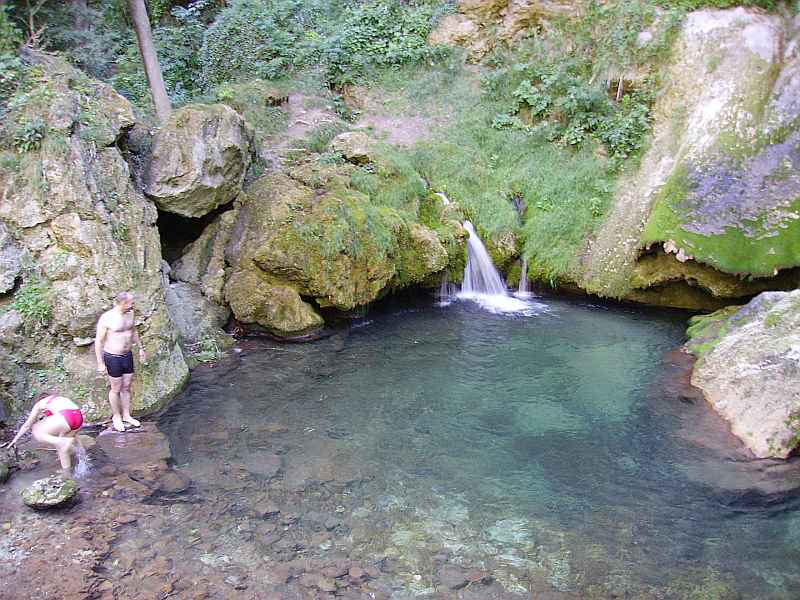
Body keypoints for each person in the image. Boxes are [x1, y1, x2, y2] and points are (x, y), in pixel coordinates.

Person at [95, 291, 146, 432]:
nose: (133, 305)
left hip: (127, 355)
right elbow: (98, 341)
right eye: (131, 302)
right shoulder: (107, 318)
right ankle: (116, 417)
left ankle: (126, 415)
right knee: (116, 388)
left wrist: (141, 349)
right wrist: (100, 362)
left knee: (127, 386)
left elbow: (134, 331)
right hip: (113, 357)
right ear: (123, 303)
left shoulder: (131, 314)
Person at [1, 392, 84, 474]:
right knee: (61, 448)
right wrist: (80, 448)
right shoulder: (59, 400)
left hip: (66, 415)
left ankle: (63, 443)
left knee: (36, 428)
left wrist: (15, 439)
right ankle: (67, 472)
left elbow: (27, 425)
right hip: (78, 417)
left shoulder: (39, 404)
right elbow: (71, 432)